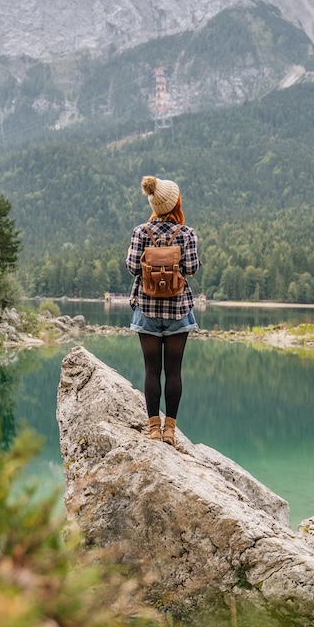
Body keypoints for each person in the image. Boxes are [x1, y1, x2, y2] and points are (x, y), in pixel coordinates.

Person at [126, 175, 200, 447]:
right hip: (178, 310)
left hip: (146, 308)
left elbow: (133, 268)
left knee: (151, 371)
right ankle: (170, 429)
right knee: (174, 371)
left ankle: (153, 429)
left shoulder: (140, 232)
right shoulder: (187, 233)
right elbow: (191, 269)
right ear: (174, 202)